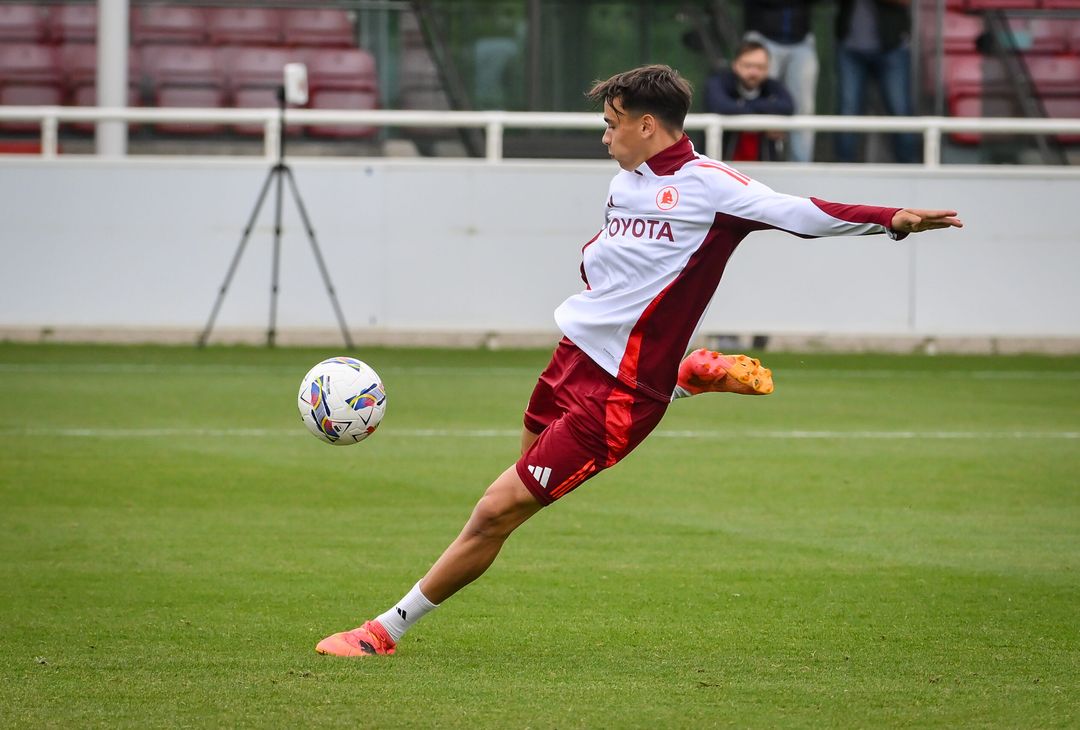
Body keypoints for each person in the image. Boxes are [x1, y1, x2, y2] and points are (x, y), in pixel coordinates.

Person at [315, 64, 962, 658]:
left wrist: (890, 218)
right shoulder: (625, 183)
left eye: (612, 124)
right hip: (570, 359)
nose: (606, 137)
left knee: (495, 511)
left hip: (619, 395)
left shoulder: (712, 187)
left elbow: (797, 212)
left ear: (647, 125)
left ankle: (384, 631)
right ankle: (685, 376)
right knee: (517, 481)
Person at [835, 0, 920, 163]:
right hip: (850, 46)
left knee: (900, 110)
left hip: (892, 46)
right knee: (848, 111)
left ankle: (911, 171)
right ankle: (843, 171)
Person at [743, 0, 820, 163]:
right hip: (762, 36)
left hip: (801, 39)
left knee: (803, 109)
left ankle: (801, 169)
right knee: (755, 99)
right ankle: (757, 162)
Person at [705, 41, 795, 161]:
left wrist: (742, 107)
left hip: (766, 169)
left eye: (760, 67)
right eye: (748, 66)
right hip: (724, 166)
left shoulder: (772, 86)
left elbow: (788, 106)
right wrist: (767, 115)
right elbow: (720, 106)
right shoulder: (720, 82)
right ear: (735, 65)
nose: (753, 72)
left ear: (768, 68)